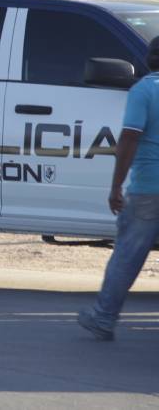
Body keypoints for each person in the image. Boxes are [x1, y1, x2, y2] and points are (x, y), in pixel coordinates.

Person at [78, 36, 159, 341]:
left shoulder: (145, 90)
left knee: (127, 256)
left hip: (149, 188)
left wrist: (115, 187)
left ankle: (103, 318)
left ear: (149, 61)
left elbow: (129, 138)